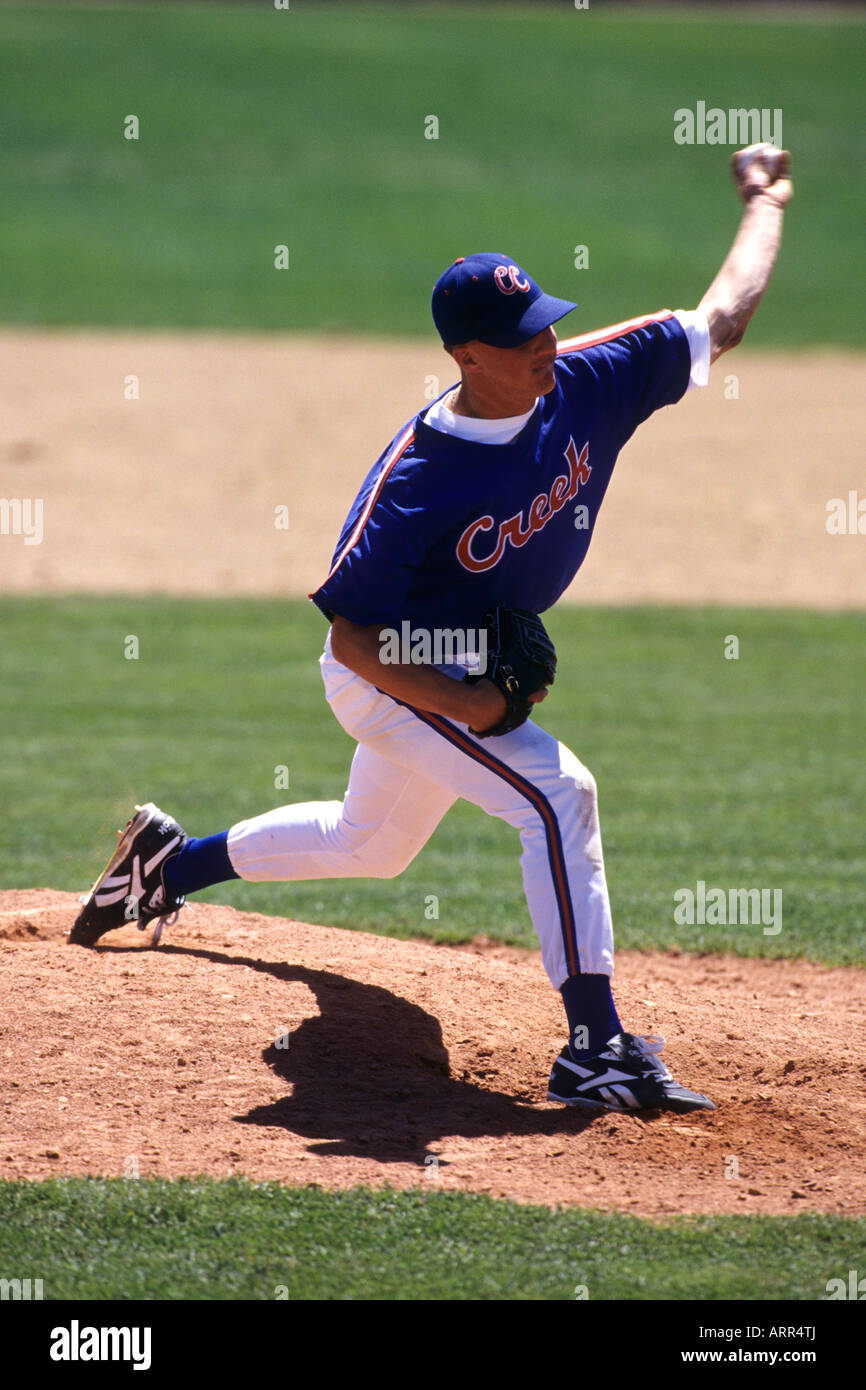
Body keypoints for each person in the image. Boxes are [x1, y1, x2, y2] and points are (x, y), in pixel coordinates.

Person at [70, 145, 792, 1113]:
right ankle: (595, 1047)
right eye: (521, 338)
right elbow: (351, 642)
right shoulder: (416, 481)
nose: (545, 345)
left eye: (545, 324)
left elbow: (721, 320)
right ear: (466, 356)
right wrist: (469, 703)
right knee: (557, 795)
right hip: (389, 674)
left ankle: (168, 862)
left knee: (371, 842)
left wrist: (766, 201)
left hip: (453, 662)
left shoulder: (586, 379)